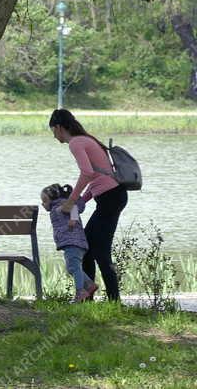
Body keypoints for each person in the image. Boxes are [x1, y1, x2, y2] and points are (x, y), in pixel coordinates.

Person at [49, 108, 128, 301]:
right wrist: (81, 200)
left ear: (59, 127)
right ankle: (89, 297)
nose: (54, 136)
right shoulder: (86, 140)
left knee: (99, 251)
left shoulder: (76, 143)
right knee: (89, 249)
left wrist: (70, 201)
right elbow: (98, 179)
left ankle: (113, 300)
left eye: (52, 130)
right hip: (111, 197)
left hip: (111, 198)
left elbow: (87, 173)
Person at [41, 183, 99, 303]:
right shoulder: (57, 207)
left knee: (73, 267)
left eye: (45, 200)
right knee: (72, 267)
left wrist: (73, 219)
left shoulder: (60, 205)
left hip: (73, 241)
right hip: (73, 242)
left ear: (53, 199)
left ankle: (80, 292)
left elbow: (73, 207)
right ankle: (89, 284)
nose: (43, 204)